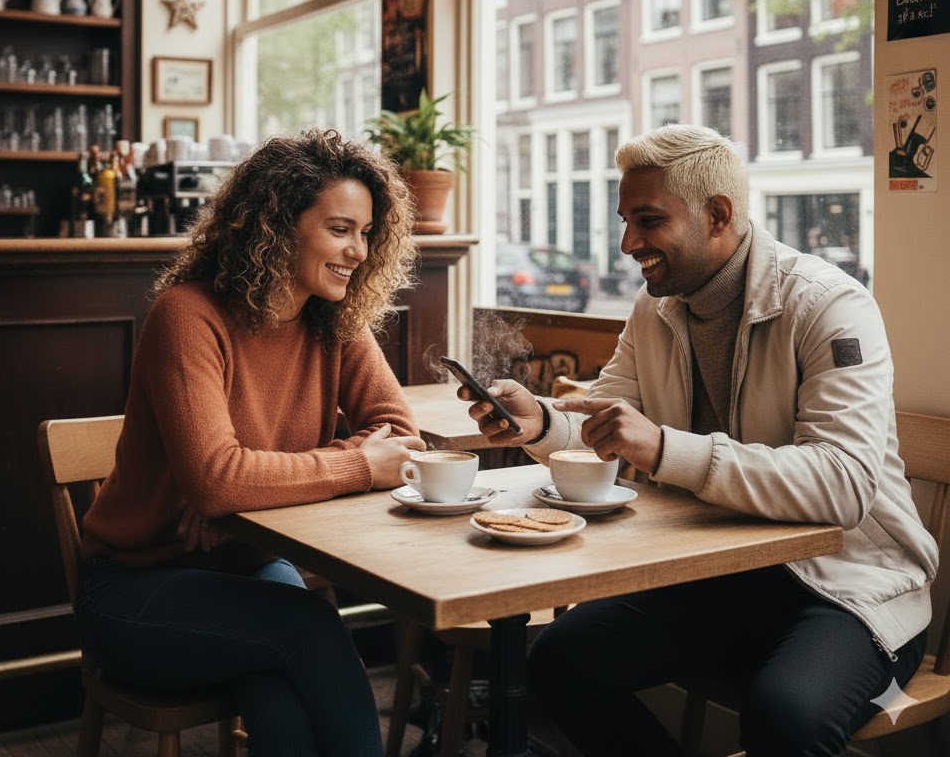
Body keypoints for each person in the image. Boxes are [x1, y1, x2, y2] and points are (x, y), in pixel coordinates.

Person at [461, 124, 937, 757]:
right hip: (723, 568)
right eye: (625, 220)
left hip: (851, 582)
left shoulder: (830, 306)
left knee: (787, 717)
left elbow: (842, 484)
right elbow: (611, 416)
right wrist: (543, 424)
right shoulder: (653, 307)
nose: (628, 243)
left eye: (648, 220)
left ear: (718, 214)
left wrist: (662, 449)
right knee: (558, 660)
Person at [76, 128, 426, 757]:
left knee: (281, 705)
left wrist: (244, 502)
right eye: (341, 229)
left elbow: (402, 438)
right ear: (276, 225)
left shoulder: (335, 320)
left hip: (247, 567)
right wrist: (347, 466)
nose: (358, 251)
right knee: (313, 629)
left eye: (367, 232)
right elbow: (218, 480)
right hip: (136, 588)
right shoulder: (187, 315)